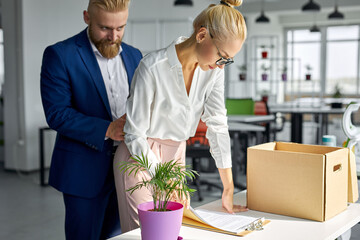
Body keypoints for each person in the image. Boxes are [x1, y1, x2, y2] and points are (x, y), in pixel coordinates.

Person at [113, 0, 248, 233]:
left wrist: (228, 187)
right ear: (202, 35)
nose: (221, 65)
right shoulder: (152, 67)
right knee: (143, 234)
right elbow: (134, 134)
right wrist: (163, 178)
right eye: (221, 56)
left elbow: (217, 123)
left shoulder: (213, 71)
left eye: (228, 60)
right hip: (140, 158)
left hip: (176, 154)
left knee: (173, 232)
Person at [40, 0, 142, 239]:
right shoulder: (60, 55)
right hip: (83, 171)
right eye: (105, 28)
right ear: (87, 17)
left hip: (128, 169)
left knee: (119, 237)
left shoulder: (135, 55)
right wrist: (108, 128)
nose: (113, 36)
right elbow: (57, 113)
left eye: (120, 28)